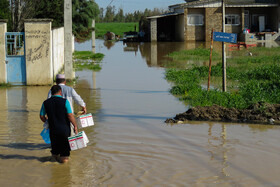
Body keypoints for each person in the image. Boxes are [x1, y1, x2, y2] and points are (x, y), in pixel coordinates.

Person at [40, 85, 78, 163]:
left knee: (55, 153)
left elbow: (41, 116)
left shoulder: (46, 103)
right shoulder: (65, 102)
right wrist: (75, 126)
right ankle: (63, 171)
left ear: (51, 92)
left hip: (53, 131)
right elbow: (70, 115)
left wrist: (47, 121)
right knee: (64, 156)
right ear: (60, 91)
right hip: (64, 131)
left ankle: (54, 170)